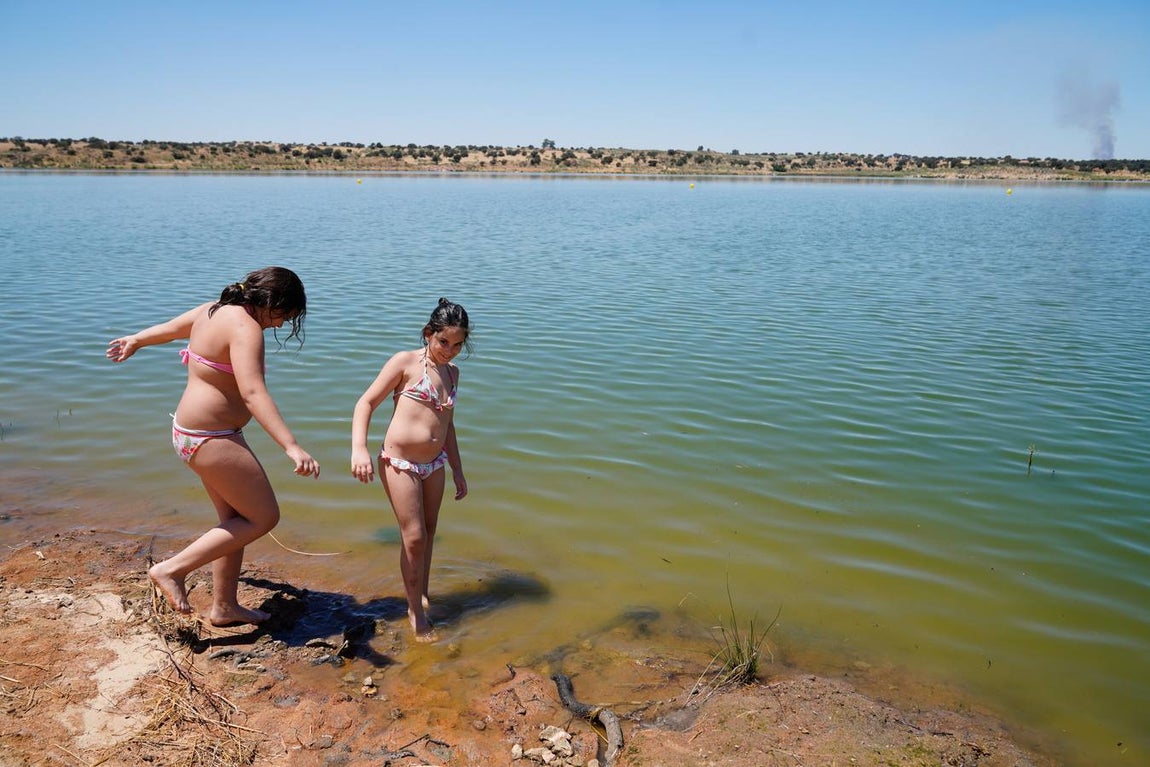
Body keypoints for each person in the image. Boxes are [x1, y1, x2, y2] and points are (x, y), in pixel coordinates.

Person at [106, 266, 320, 626]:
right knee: (264, 517)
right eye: (284, 315)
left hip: (190, 433)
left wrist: (137, 339)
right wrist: (291, 446)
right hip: (212, 439)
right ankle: (172, 570)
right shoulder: (246, 328)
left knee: (234, 522)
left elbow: (170, 329)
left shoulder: (212, 310)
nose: (283, 324)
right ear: (271, 302)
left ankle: (225, 607)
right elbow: (253, 393)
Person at [351, 298, 470, 642]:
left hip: (435, 464)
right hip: (399, 462)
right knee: (414, 537)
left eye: (458, 344)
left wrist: (458, 470)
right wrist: (359, 448)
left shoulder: (452, 373)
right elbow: (365, 403)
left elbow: (447, 426)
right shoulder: (405, 362)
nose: (449, 350)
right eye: (443, 341)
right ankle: (415, 612)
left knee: (429, 531)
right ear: (428, 333)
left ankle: (422, 592)